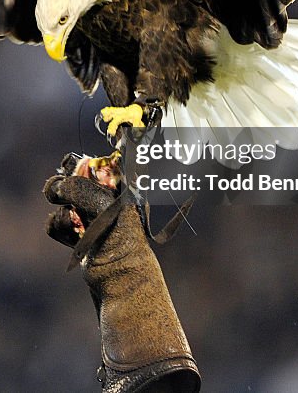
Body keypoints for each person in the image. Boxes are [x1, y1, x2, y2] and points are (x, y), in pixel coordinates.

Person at [44, 152, 201, 392]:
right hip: (146, 357)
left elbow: (97, 200)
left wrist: (57, 186)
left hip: (144, 361)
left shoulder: (119, 214)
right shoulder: (122, 220)